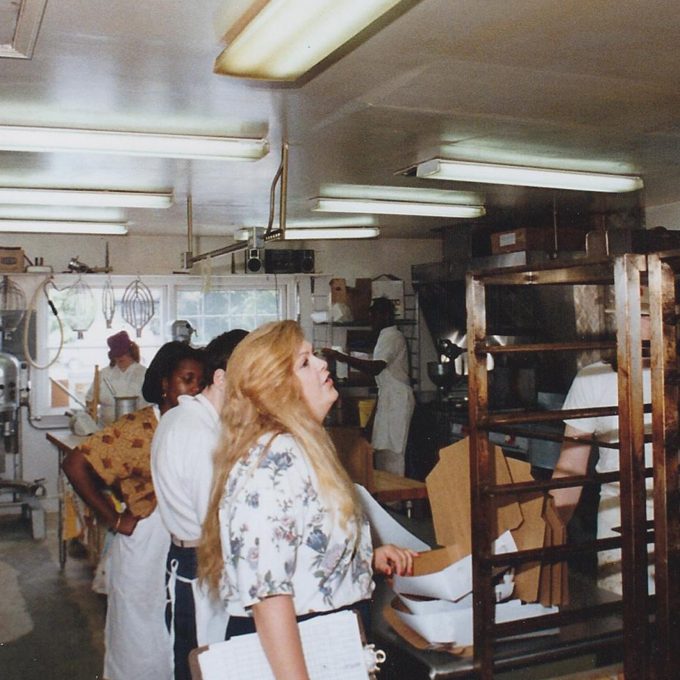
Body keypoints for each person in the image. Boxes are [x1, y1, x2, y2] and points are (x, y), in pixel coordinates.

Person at [198, 320, 417, 680]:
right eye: (304, 362)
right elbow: (269, 598)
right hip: (295, 649)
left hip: (327, 639)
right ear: (277, 390)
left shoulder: (302, 447)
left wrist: (364, 558)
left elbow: (300, 546)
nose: (321, 364)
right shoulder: (272, 462)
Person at [62, 341, 205, 680]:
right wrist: (113, 519)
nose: (195, 389)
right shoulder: (137, 428)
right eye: (187, 379)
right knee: (139, 639)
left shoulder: (201, 425)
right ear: (164, 384)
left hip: (187, 543)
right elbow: (75, 464)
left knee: (182, 636)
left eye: (200, 382)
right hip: (145, 541)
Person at [151, 329, 248, 680]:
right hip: (202, 562)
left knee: (197, 660)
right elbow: (218, 518)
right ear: (221, 379)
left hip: (195, 559)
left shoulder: (185, 417)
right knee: (202, 664)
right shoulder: (197, 432)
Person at [550, 312, 653, 596]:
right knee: (621, 612)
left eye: (648, 312)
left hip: (674, 515)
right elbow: (571, 465)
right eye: (633, 312)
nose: (640, 323)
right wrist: (548, 531)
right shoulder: (593, 378)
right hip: (619, 519)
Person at [323, 297, 415, 476]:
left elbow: (375, 367)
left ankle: (396, 490)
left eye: (374, 316)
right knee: (382, 450)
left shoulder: (393, 336)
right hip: (389, 398)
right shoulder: (385, 336)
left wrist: (340, 357)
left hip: (398, 400)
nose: (372, 321)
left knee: (394, 452)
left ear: (386, 315)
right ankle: (388, 490)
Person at [86, 329, 149, 425]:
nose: (120, 357)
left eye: (123, 353)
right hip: (106, 427)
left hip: (136, 427)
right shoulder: (103, 374)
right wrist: (91, 410)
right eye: (116, 354)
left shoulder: (144, 373)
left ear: (131, 352)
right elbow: (91, 400)